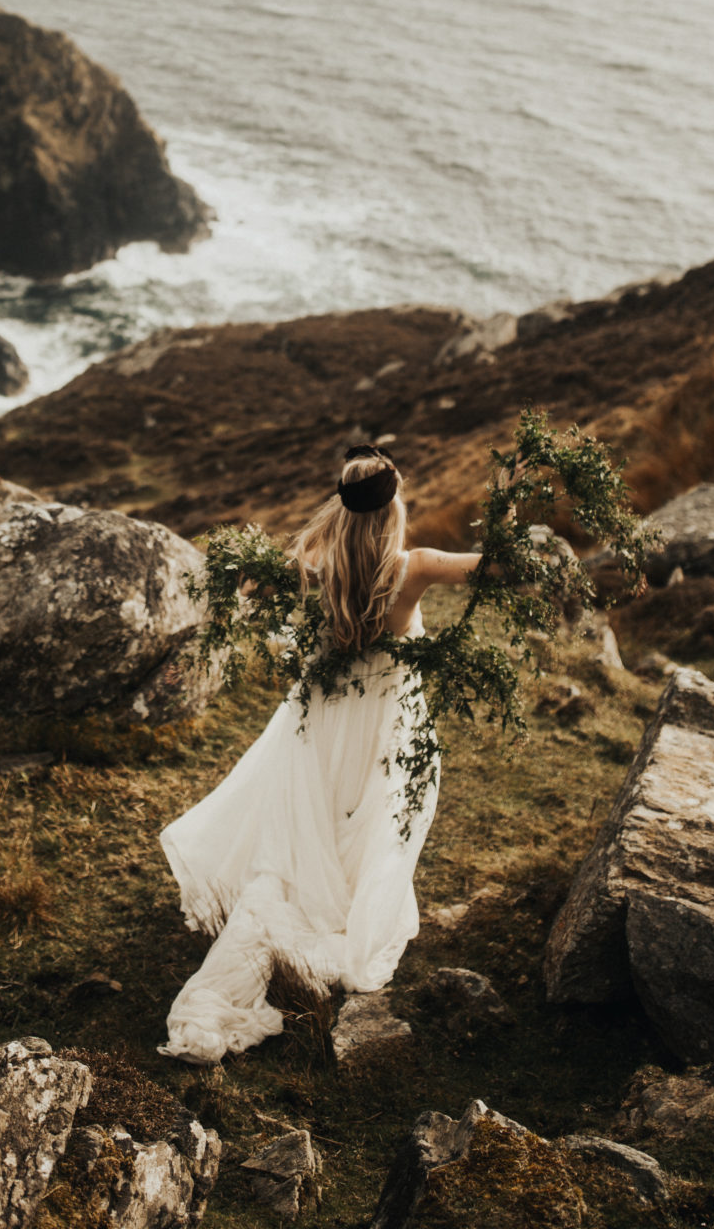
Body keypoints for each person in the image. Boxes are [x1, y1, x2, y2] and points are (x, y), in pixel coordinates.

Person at [158, 445, 483, 1063]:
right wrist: (513, 503)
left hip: (322, 715)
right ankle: (347, 914)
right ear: (394, 511)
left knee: (318, 816)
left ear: (343, 509)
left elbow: (252, 581)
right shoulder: (413, 567)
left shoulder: (319, 561)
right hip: (387, 720)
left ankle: (301, 911)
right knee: (377, 815)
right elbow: (493, 569)